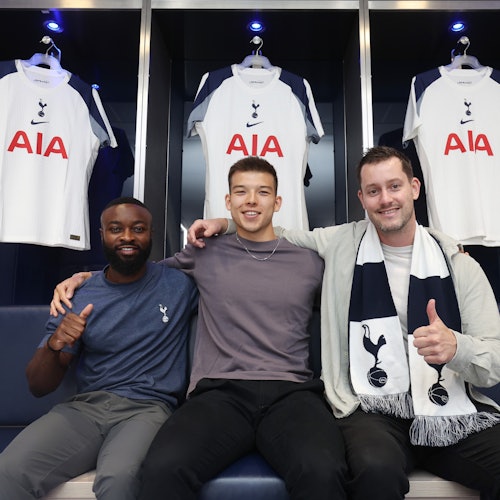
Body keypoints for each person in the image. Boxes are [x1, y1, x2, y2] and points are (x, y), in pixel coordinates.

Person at [188, 146, 500, 499]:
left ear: (414, 188)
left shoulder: (458, 263)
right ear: (362, 198)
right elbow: (273, 232)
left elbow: (494, 362)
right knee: (374, 471)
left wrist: (457, 348)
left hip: (451, 411)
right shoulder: (338, 243)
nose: (385, 199)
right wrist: (224, 223)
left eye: (394, 186)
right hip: (369, 408)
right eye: (373, 191)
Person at [50, 157, 348, 500]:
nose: (251, 200)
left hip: (292, 392)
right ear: (228, 201)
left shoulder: (309, 261)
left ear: (277, 202)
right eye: (241, 191)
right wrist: (85, 278)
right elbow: (135, 276)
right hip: (221, 392)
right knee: (163, 469)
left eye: (262, 192)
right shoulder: (204, 253)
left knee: (323, 471)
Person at [0, 197, 198, 500]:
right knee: (8, 472)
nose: (128, 237)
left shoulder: (179, 285)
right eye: (116, 229)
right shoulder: (78, 296)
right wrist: (55, 345)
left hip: (147, 409)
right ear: (102, 234)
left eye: (138, 228)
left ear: (151, 235)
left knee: (119, 478)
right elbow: (39, 386)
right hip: (85, 410)